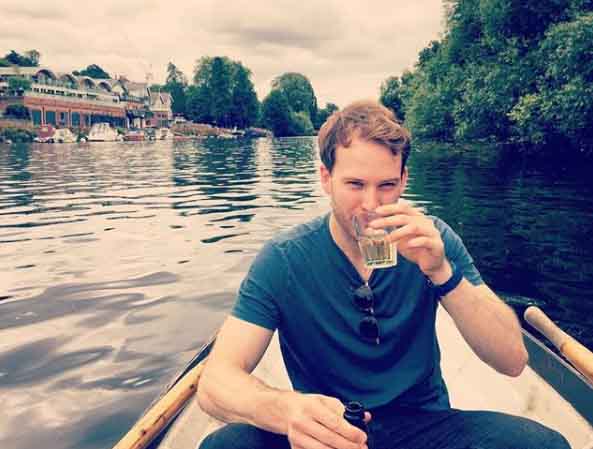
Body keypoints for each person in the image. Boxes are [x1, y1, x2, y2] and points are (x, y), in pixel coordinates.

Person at [196, 100, 570, 449]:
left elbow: (512, 359)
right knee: (226, 445)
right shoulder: (284, 259)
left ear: (404, 180)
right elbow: (215, 384)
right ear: (326, 178)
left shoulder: (432, 241)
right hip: (328, 431)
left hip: (425, 426)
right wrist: (289, 410)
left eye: (387, 185)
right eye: (355, 185)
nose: (372, 205)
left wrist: (442, 273)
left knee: (542, 444)